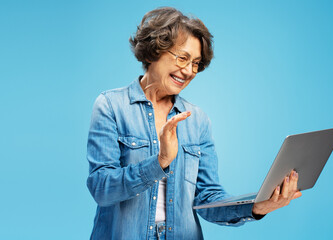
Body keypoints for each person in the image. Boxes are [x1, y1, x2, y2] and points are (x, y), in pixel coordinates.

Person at [86, 7, 302, 240]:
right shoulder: (111, 106)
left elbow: (207, 197)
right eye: (182, 58)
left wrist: (257, 207)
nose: (189, 71)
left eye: (196, 63)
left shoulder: (197, 119)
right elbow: (101, 188)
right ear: (152, 52)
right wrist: (160, 162)